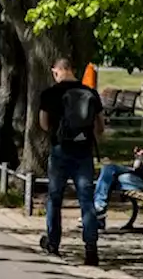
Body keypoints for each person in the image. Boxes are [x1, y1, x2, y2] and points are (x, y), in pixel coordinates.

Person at [38, 58, 105, 265]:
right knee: (86, 199)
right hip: (84, 153)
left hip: (60, 151)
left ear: (56, 71)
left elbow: (43, 123)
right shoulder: (90, 93)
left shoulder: (50, 94)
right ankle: (91, 248)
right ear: (71, 69)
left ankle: (54, 243)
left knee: (55, 198)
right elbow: (100, 126)